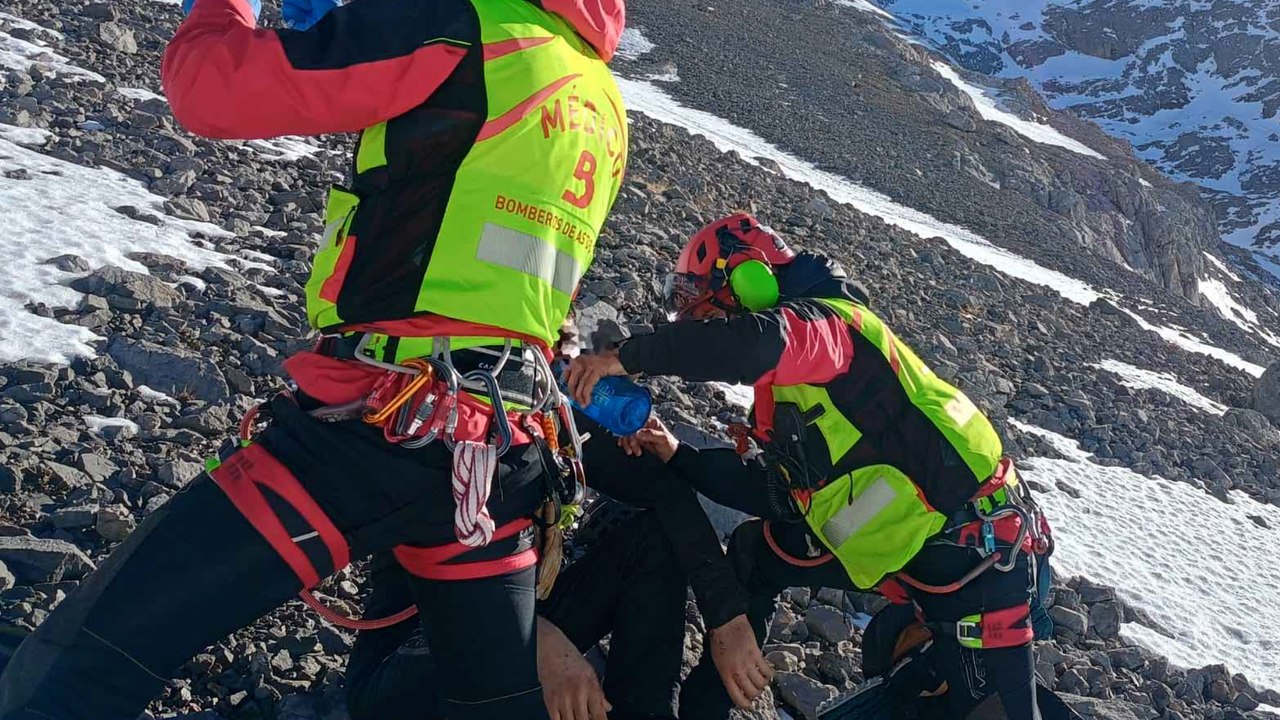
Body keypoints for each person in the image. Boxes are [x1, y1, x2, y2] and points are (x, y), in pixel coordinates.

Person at [0, 0, 629, 717]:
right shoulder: (598, 91)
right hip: (497, 450)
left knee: (91, 656)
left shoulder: (466, 24)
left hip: (373, 427)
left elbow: (210, 87)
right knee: (498, 703)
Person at [566, 214, 1056, 720]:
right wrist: (677, 453)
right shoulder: (791, 388)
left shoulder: (828, 327)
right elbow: (777, 496)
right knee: (758, 551)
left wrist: (627, 355)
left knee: (989, 709)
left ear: (750, 283)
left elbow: (751, 345)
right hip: (908, 545)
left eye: (708, 307)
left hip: (980, 556)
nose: (703, 325)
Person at [345, 506, 689, 720]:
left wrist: (728, 615)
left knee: (655, 537)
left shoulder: (531, 430)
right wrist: (532, 636)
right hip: (401, 667)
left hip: (508, 634)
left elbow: (660, 484)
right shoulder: (430, 435)